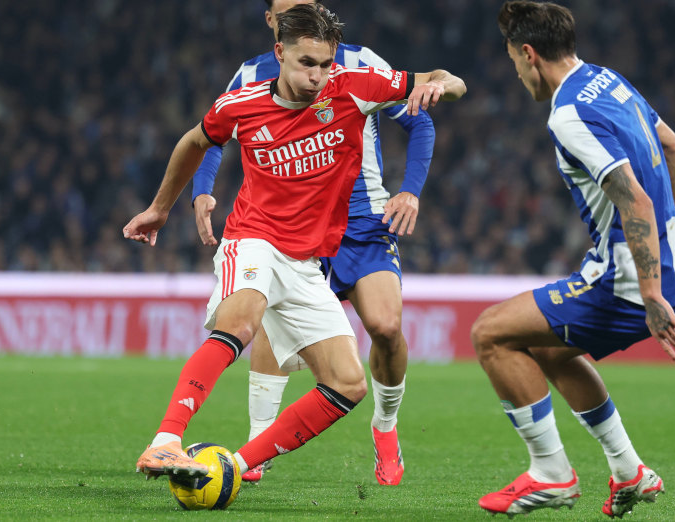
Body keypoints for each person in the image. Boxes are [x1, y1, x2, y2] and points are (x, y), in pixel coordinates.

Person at [123, 3, 465, 484]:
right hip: (255, 238)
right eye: (307, 63)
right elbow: (195, 142)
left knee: (348, 382)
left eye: (325, 64)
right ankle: (165, 441)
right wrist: (162, 207)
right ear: (280, 52)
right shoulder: (240, 102)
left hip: (307, 258)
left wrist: (440, 85)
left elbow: (449, 80)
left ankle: (237, 465)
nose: (317, 77)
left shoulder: (355, 85)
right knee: (242, 324)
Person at [473, 1, 675, 518]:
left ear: (529, 54)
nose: (516, 72)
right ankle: (629, 471)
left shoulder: (568, 114)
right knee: (550, 349)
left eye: (513, 60)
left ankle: (551, 474)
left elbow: (635, 201)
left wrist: (650, 291)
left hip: (626, 279)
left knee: (490, 333)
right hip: (672, 260)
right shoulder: (607, 79)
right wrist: (660, 244)